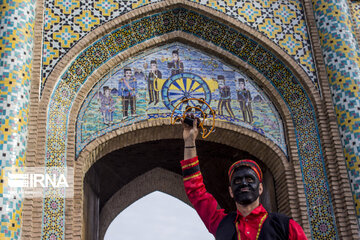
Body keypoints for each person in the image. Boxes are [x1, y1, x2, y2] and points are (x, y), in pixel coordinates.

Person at [180, 119, 308, 239]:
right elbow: (196, 192)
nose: (244, 183)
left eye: (250, 179)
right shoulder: (221, 224)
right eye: (237, 181)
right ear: (231, 191)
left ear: (261, 188)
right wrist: (190, 141)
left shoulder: (285, 226)